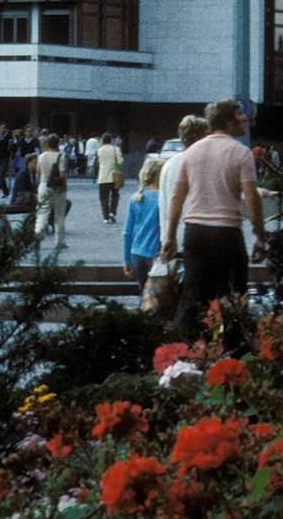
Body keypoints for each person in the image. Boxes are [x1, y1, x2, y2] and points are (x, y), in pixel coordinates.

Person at [161, 100, 265, 346]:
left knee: (194, 292)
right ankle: (231, 349)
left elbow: (177, 196)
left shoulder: (192, 152)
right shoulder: (241, 153)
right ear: (227, 120)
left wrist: (169, 236)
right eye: (239, 114)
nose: (244, 119)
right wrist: (260, 235)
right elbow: (251, 196)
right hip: (227, 233)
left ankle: (187, 348)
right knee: (233, 294)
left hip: (195, 233)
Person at [122, 157, 166, 291]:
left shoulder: (135, 198)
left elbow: (127, 232)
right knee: (158, 297)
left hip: (136, 253)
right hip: (156, 253)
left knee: (143, 294)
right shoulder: (164, 198)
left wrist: (126, 260)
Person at [34, 134, 70, 248]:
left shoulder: (41, 156)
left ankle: (37, 235)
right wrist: (64, 187)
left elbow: (38, 173)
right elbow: (62, 174)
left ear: (47, 144)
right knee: (59, 215)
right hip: (57, 188)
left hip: (44, 185)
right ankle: (60, 242)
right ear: (57, 144)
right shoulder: (61, 156)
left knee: (42, 213)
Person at [95, 133, 124, 223]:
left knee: (103, 197)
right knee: (115, 195)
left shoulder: (99, 150)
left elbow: (98, 162)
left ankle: (105, 217)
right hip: (114, 175)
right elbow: (120, 162)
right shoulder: (116, 149)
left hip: (103, 176)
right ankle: (112, 211)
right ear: (111, 140)